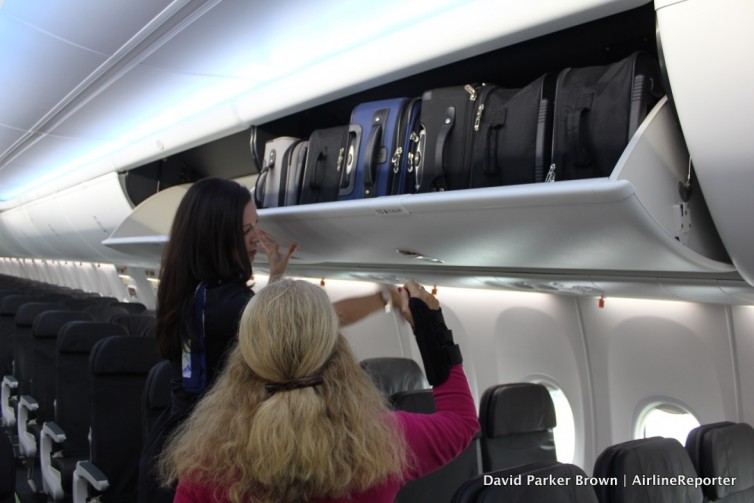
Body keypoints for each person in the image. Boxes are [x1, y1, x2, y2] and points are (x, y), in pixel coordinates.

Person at [138, 177, 401, 503]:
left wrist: (275, 279)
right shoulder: (228, 304)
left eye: (255, 227)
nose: (255, 239)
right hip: (200, 460)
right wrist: (387, 296)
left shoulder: (189, 289)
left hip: (177, 441)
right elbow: (309, 324)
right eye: (245, 231)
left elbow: (236, 331)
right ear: (217, 236)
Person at [159, 279, 479, 503]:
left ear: (245, 355)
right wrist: (430, 324)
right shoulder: (384, 442)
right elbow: (462, 421)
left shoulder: (209, 461)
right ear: (337, 352)